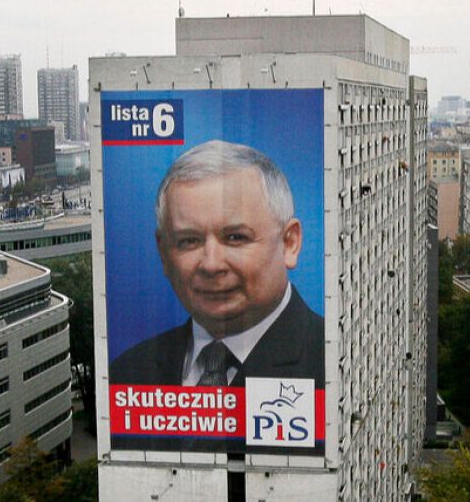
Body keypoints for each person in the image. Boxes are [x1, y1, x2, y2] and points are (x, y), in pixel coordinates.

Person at [110, 140, 324, 389]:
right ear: (163, 253)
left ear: (289, 243)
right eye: (189, 241)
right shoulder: (128, 374)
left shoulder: (327, 365)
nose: (211, 265)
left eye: (235, 237)